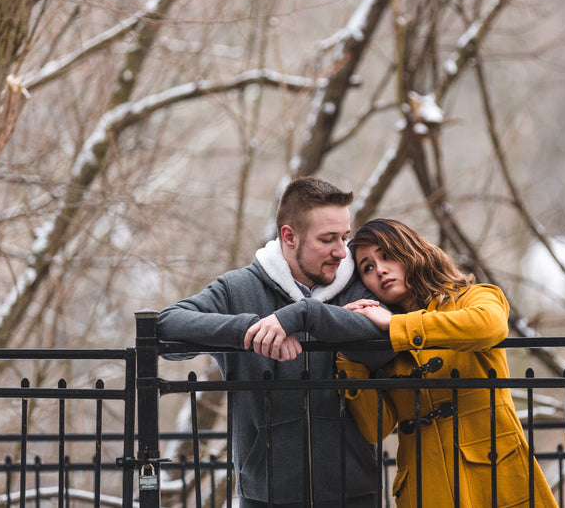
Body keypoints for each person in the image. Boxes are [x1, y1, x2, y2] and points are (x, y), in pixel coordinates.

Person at [156, 177, 391, 508]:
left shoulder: (360, 286)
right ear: (289, 236)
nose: (341, 251)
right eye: (328, 239)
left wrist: (310, 317)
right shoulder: (238, 289)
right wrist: (250, 331)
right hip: (264, 495)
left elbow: (390, 338)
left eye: (344, 237)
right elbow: (166, 324)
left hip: (355, 491)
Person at [337, 218, 558, 508]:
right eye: (367, 267)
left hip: (495, 478)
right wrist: (348, 355)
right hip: (424, 489)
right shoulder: (380, 343)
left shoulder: (473, 296)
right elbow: (377, 428)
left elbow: (490, 326)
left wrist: (398, 327)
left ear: (411, 252)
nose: (379, 269)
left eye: (387, 255)